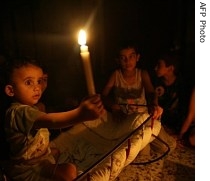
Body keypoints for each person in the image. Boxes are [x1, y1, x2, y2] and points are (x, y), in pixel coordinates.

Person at [1, 56, 105, 181]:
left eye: (39, 81)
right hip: (29, 169)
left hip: (38, 160)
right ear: (10, 90)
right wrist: (80, 114)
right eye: (28, 82)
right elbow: (52, 121)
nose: (37, 87)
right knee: (70, 171)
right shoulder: (20, 112)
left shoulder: (29, 108)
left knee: (55, 152)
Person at [102, 40, 176, 154]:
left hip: (143, 118)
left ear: (137, 57)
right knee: (141, 152)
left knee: (165, 147)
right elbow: (104, 95)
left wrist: (154, 104)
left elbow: (151, 92)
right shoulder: (115, 75)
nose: (128, 61)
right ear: (118, 60)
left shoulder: (142, 74)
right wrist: (114, 106)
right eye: (123, 58)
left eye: (131, 57)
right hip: (125, 120)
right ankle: (145, 144)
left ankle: (154, 138)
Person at [153, 50, 192, 146]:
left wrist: (180, 134)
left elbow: (185, 111)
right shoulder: (156, 82)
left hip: (176, 124)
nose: (155, 68)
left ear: (170, 69)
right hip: (161, 123)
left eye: (159, 65)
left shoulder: (182, 85)